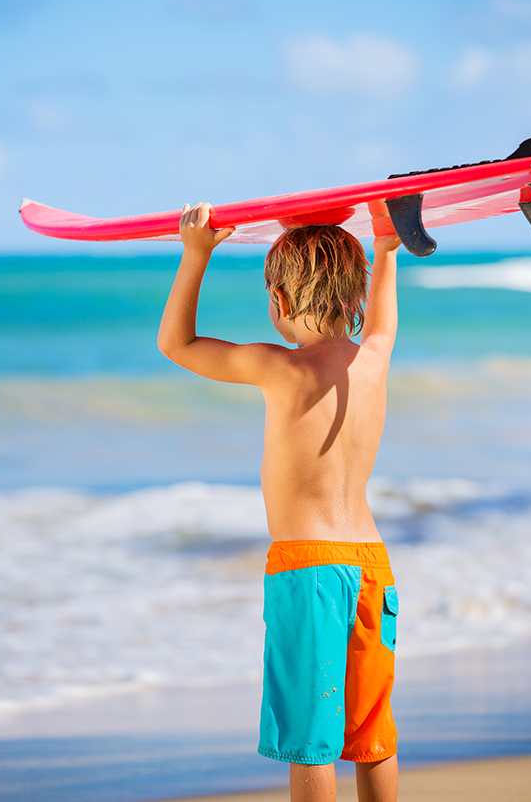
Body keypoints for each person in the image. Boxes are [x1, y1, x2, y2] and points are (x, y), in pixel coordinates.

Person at [158, 202, 402, 802]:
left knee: (310, 738)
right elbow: (382, 327)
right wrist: (388, 244)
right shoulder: (373, 360)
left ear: (282, 305)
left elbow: (177, 343)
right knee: (371, 733)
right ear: (355, 298)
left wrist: (197, 254)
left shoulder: (279, 368)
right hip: (373, 566)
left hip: (309, 566)